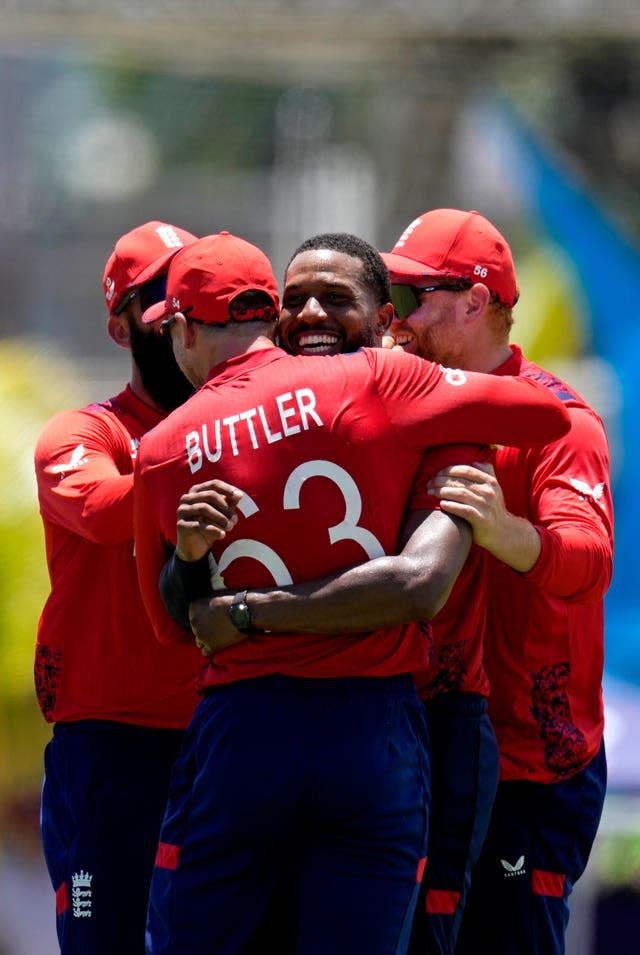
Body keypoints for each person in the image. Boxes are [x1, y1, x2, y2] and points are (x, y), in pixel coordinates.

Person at [133, 230, 571, 955]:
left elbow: (185, 622)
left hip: (312, 727)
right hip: (371, 732)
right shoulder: (397, 386)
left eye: (335, 299)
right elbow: (543, 414)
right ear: (269, 316)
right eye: (295, 300)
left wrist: (247, 610)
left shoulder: (168, 441)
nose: (310, 314)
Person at [381, 208, 613, 955]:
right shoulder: (404, 404)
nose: (400, 316)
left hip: (530, 767)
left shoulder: (559, 421)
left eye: (419, 295)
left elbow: (588, 559)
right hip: (429, 746)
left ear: (477, 302)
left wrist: (502, 525)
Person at [34, 220, 205, 955]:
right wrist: (216, 461)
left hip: (222, 736)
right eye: (155, 296)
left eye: (189, 288)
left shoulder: (244, 426)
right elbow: (107, 513)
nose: (175, 310)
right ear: (118, 326)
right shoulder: (83, 432)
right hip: (109, 752)